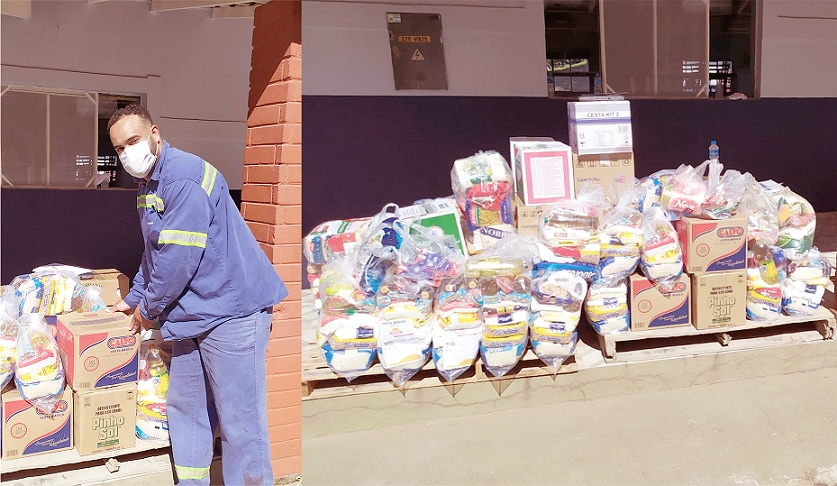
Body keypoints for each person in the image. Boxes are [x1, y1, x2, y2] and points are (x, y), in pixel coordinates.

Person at [107, 104, 288, 485]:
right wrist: (131, 298)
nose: (128, 154)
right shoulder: (149, 185)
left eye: (134, 141)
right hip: (193, 315)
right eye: (120, 148)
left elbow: (177, 261)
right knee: (187, 410)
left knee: (240, 423)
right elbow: (154, 250)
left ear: (155, 133)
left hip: (231, 313)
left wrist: (147, 310)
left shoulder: (184, 178)